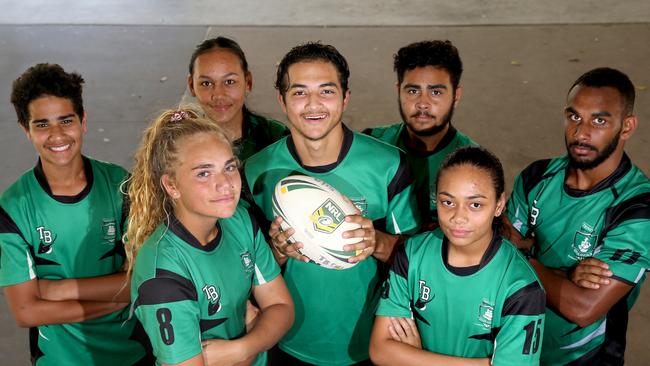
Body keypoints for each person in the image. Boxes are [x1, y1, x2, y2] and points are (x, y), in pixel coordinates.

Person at [244, 42, 420, 365]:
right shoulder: (256, 173)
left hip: (369, 345)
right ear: (282, 101)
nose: (313, 104)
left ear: (345, 97)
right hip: (288, 342)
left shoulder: (388, 165)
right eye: (299, 93)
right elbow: (243, 267)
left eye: (326, 91)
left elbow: (421, 260)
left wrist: (377, 242)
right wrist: (277, 253)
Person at [0, 63, 150, 364]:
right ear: (25, 129)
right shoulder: (13, 208)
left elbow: (144, 281)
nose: (56, 135)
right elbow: (26, 312)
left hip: (131, 352)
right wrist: (113, 298)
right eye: (42, 124)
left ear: (83, 120)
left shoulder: (121, 186)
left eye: (65, 120)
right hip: (57, 358)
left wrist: (56, 290)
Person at [505, 67, 650, 365]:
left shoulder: (637, 207)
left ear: (627, 127)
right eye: (574, 117)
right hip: (516, 342)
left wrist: (520, 256)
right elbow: (500, 241)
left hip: (585, 356)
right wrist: (566, 274)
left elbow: (583, 308)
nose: (581, 132)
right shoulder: (537, 176)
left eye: (599, 120)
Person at [127, 108, 294, 366]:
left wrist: (241, 349)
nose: (225, 183)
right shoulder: (163, 274)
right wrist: (260, 333)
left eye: (229, 167)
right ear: (171, 186)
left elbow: (282, 308)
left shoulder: (240, 220)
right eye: (204, 173)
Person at [370, 146, 545, 366]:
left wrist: (414, 358)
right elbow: (380, 350)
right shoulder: (412, 254)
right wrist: (483, 363)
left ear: (499, 205)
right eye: (448, 202)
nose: (458, 217)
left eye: (475, 205)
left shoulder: (520, 287)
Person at [363, 40, 476, 228]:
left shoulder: (474, 163)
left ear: (456, 96)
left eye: (436, 92)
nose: (423, 103)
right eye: (413, 91)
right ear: (398, 91)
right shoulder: (372, 143)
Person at [187, 36, 288, 161]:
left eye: (229, 81)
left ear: (248, 82)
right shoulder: (180, 143)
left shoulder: (276, 138)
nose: (218, 94)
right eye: (206, 83)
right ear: (191, 86)